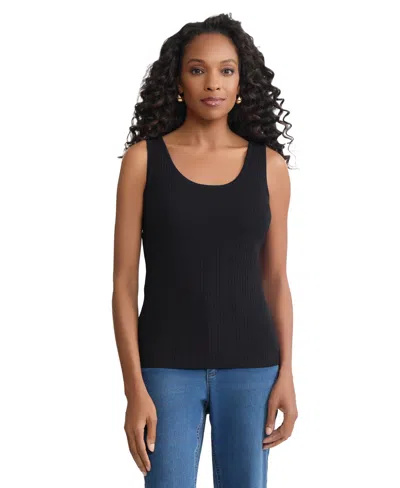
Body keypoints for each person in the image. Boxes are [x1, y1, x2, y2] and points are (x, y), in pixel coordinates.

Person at [112, 12, 298, 487]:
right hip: (164, 368)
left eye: (226, 70)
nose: (213, 83)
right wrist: (134, 388)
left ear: (241, 82)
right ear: (178, 81)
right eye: (198, 69)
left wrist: (287, 373)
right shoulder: (143, 161)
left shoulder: (269, 167)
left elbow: (275, 279)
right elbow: (123, 284)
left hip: (253, 368)